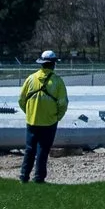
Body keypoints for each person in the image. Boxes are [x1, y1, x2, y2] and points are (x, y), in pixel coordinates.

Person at [18, 50, 68, 182]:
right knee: (43, 150)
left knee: (29, 149)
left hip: (32, 121)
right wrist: (57, 117)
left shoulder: (30, 79)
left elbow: (21, 100)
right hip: (49, 122)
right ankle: (39, 177)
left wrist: (29, 112)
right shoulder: (58, 82)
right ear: (53, 64)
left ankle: (24, 176)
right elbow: (63, 104)